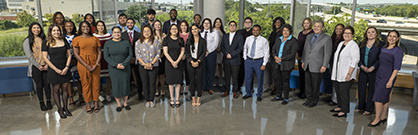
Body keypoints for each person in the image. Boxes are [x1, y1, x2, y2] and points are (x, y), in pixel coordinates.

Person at [368, 30, 403, 127]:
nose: (391, 38)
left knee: (377, 98)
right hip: (379, 75)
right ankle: (383, 117)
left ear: (397, 38)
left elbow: (396, 68)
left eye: (394, 36)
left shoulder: (398, 51)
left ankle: (377, 119)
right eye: (390, 36)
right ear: (387, 37)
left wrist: (390, 80)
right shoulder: (384, 48)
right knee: (384, 98)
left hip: (388, 77)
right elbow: (380, 61)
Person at [42, 24, 73, 118]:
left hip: (64, 67)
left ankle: (66, 108)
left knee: (65, 88)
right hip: (53, 69)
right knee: (56, 89)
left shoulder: (64, 41)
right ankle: (60, 110)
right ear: (50, 32)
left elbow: (69, 55)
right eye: (54, 30)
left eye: (58, 30)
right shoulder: (46, 42)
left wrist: (67, 67)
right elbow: (45, 58)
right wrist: (55, 69)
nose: (56, 32)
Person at [329, 26, 360, 117]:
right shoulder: (341, 43)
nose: (346, 35)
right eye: (345, 33)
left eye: (349, 33)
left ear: (352, 35)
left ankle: (344, 111)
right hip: (337, 73)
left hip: (346, 74)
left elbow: (355, 61)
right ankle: (339, 106)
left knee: (343, 93)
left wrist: (349, 73)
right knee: (338, 91)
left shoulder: (353, 45)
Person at [301, 20, 332, 108]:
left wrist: (324, 65)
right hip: (307, 64)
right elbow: (305, 50)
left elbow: (327, 53)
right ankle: (309, 99)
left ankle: (314, 101)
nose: (316, 28)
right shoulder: (309, 36)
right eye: (315, 26)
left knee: (315, 85)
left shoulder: (326, 38)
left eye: (318, 26)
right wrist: (303, 60)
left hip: (318, 65)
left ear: (322, 28)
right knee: (308, 84)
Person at [73, 21, 102, 114]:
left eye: (87, 26)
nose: (86, 28)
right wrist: (87, 65)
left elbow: (99, 52)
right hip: (83, 64)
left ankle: (96, 103)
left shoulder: (95, 38)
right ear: (80, 28)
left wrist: (96, 64)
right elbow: (76, 55)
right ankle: (88, 104)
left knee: (96, 84)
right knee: (86, 85)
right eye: (83, 26)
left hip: (95, 64)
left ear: (90, 28)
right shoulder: (76, 39)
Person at [23, 22, 52, 111]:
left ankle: (48, 101)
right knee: (39, 85)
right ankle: (41, 102)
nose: (36, 30)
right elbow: (29, 56)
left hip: (46, 65)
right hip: (36, 67)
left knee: (47, 85)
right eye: (34, 28)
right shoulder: (27, 41)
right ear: (31, 29)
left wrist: (47, 64)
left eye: (38, 28)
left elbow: (49, 52)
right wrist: (38, 65)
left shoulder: (45, 39)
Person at [103, 27, 133, 112]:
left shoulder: (126, 42)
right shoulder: (108, 43)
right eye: (115, 32)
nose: (117, 34)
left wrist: (124, 64)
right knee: (116, 85)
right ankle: (119, 104)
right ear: (112, 33)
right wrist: (116, 65)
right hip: (114, 68)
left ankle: (126, 103)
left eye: (118, 32)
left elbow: (130, 54)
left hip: (125, 67)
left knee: (125, 84)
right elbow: (106, 56)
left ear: (121, 33)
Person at [357, 27, 384, 115]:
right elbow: (357, 57)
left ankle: (369, 109)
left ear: (376, 34)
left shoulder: (380, 45)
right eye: (368, 32)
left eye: (373, 32)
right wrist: (361, 65)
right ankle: (360, 106)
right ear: (366, 34)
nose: (371, 34)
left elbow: (381, 58)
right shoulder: (362, 44)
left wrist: (373, 67)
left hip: (374, 71)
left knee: (372, 90)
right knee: (361, 89)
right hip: (363, 70)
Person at [271, 24, 298, 105]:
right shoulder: (279, 39)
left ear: (290, 31)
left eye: (287, 30)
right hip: (277, 63)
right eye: (284, 30)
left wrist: (281, 59)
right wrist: (275, 57)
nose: (285, 32)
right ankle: (278, 96)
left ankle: (286, 98)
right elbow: (273, 49)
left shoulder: (294, 41)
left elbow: (292, 54)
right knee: (277, 80)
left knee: (285, 81)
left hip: (286, 64)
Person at [242, 25, 269, 101]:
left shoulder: (264, 40)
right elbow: (245, 48)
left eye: (257, 30)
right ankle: (248, 93)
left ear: (260, 31)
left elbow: (266, 53)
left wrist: (264, 64)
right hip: (249, 61)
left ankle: (259, 94)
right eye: (254, 30)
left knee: (260, 78)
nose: (255, 31)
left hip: (259, 61)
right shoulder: (248, 39)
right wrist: (245, 58)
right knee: (248, 78)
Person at [135, 25, 161, 108]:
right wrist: (145, 64)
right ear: (142, 32)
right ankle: (147, 100)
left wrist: (151, 64)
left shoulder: (156, 41)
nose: (146, 33)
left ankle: (152, 99)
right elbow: (137, 55)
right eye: (145, 31)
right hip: (142, 66)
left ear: (151, 32)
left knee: (152, 83)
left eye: (148, 31)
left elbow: (158, 54)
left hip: (154, 65)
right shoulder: (138, 42)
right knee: (145, 83)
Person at [63, 20, 84, 106]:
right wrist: (68, 60)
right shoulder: (62, 37)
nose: (69, 28)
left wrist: (75, 59)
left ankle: (80, 96)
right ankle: (71, 97)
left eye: (71, 26)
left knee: (79, 80)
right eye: (67, 26)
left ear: (73, 27)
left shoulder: (77, 36)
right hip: (67, 61)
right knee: (69, 81)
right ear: (65, 27)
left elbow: (81, 49)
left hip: (77, 61)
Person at [163, 24, 185, 108]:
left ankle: (177, 99)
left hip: (179, 62)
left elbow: (182, 51)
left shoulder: (181, 39)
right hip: (169, 63)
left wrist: (177, 61)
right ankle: (172, 99)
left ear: (178, 30)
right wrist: (172, 62)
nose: (174, 30)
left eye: (176, 29)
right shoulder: (166, 39)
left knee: (178, 82)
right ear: (170, 30)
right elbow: (165, 52)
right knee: (171, 82)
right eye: (172, 29)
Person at [220, 21, 243, 98]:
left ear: (236, 27)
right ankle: (226, 91)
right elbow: (222, 47)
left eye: (234, 25)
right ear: (229, 27)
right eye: (231, 25)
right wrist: (226, 54)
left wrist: (232, 54)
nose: (232, 27)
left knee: (235, 77)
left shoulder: (240, 37)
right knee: (226, 76)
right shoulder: (225, 36)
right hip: (226, 59)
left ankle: (235, 91)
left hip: (235, 60)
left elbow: (239, 49)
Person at [121, 18, 143, 100]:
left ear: (134, 24)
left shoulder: (139, 34)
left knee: (138, 76)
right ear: (126, 24)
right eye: (128, 22)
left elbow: (141, 47)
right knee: (127, 77)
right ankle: (128, 93)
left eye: (132, 23)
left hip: (137, 59)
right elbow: (122, 48)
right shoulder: (122, 35)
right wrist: (128, 58)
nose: (130, 24)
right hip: (126, 59)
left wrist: (136, 57)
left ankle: (140, 93)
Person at [186, 24, 206, 106]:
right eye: (193, 29)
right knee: (192, 81)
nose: (194, 30)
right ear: (191, 31)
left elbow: (203, 52)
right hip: (191, 62)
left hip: (199, 62)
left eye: (196, 29)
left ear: (198, 29)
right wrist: (191, 61)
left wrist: (198, 61)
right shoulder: (189, 40)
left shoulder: (203, 40)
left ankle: (199, 98)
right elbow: (187, 52)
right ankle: (193, 97)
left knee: (199, 81)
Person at [93, 21, 112, 102]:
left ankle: (108, 94)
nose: (100, 27)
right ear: (96, 27)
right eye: (99, 25)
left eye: (102, 25)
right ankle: (99, 95)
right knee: (98, 78)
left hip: (107, 58)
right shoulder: (93, 36)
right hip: (97, 58)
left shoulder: (109, 36)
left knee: (108, 77)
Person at [201, 18, 219, 95]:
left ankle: (210, 87)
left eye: (208, 23)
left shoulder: (214, 32)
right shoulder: (200, 32)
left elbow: (216, 43)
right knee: (202, 71)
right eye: (205, 23)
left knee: (210, 71)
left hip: (211, 54)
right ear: (202, 24)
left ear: (210, 24)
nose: (206, 25)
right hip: (201, 54)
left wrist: (208, 51)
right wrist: (203, 52)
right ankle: (203, 87)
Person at [296, 18, 314, 99]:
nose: (306, 25)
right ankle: (301, 91)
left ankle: (306, 93)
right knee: (301, 76)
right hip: (299, 57)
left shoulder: (312, 33)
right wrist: (297, 54)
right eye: (304, 23)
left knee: (307, 77)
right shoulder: (300, 33)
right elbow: (297, 44)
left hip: (307, 58)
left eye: (307, 23)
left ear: (310, 24)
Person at [267, 17, 285, 95]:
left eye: (278, 22)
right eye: (275, 22)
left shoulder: (282, 33)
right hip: (272, 55)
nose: (276, 24)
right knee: (274, 73)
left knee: (277, 73)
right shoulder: (273, 32)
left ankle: (277, 89)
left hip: (278, 56)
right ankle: (274, 87)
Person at [328, 24, 345, 106]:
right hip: (332, 63)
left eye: (340, 29)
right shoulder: (332, 38)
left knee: (338, 82)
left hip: (340, 65)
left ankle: (337, 100)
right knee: (333, 82)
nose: (338, 30)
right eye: (336, 28)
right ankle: (333, 98)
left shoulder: (344, 40)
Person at [236, 17, 253, 92]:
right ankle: (239, 86)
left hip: (250, 55)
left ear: (251, 24)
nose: (247, 23)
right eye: (246, 22)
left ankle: (250, 87)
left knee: (250, 72)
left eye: (249, 22)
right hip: (240, 54)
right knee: (240, 71)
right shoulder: (239, 32)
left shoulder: (254, 31)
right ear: (244, 24)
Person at [154, 20, 166, 97]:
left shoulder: (164, 35)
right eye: (156, 25)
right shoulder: (151, 35)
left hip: (162, 54)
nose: (157, 26)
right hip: (153, 55)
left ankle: (163, 90)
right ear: (154, 26)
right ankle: (156, 90)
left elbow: (165, 46)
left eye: (159, 24)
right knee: (155, 74)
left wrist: (161, 55)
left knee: (161, 74)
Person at [179, 20, 190, 96]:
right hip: (179, 56)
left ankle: (187, 86)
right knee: (179, 72)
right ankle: (180, 86)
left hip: (188, 56)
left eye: (185, 25)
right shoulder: (178, 34)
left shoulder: (190, 34)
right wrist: (181, 54)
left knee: (187, 71)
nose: (183, 27)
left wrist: (185, 54)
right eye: (182, 25)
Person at [213, 18, 226, 87]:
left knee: (220, 65)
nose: (218, 23)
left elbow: (225, 41)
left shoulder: (223, 31)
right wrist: (215, 48)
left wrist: (221, 48)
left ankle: (221, 79)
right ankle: (214, 80)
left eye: (219, 22)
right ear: (214, 23)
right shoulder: (212, 31)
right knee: (214, 66)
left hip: (221, 50)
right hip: (213, 50)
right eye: (216, 22)